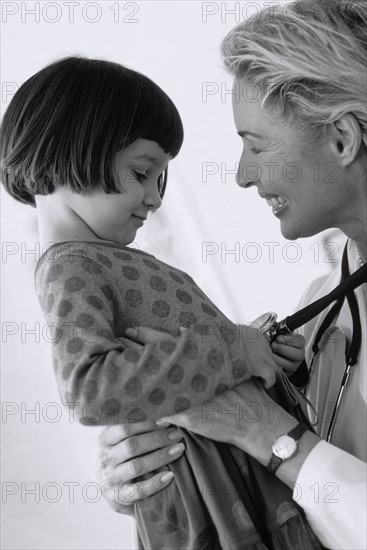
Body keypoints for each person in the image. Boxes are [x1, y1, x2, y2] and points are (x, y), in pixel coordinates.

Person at [0, 56, 315, 549]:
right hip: (211, 512)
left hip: (241, 489)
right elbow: (91, 388)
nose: (154, 198)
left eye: (161, 179)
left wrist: (269, 360)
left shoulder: (111, 261)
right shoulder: (69, 267)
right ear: (69, 149)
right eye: (143, 172)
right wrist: (234, 352)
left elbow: (191, 369)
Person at [97, 1, 367, 549]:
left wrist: (260, 428)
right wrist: (161, 465)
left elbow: (284, 448)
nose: (243, 175)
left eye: (256, 144)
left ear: (342, 138)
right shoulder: (325, 304)